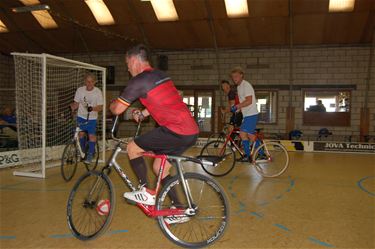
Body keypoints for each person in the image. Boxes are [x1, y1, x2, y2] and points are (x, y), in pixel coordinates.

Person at [110, 44, 199, 214]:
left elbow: (117, 110)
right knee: (159, 168)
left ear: (134, 60)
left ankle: (145, 191)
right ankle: (180, 209)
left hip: (175, 130)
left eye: (127, 64)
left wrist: (111, 104)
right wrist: (143, 113)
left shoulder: (139, 81)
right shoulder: (160, 75)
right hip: (190, 131)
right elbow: (162, 102)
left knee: (132, 147)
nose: (128, 69)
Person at [70, 73, 103, 164]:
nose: (89, 84)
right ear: (85, 81)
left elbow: (100, 107)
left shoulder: (98, 92)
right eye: (88, 81)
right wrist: (72, 107)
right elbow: (76, 104)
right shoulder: (80, 90)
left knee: (91, 136)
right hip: (81, 116)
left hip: (91, 118)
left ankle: (90, 155)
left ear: (95, 82)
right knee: (80, 134)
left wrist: (92, 108)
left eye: (91, 82)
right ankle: (83, 152)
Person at [230, 67, 259, 162]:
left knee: (242, 133)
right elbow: (244, 102)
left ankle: (247, 156)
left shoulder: (246, 85)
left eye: (236, 76)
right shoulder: (239, 87)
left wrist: (237, 106)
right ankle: (262, 153)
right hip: (247, 115)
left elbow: (249, 101)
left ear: (241, 75)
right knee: (250, 135)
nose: (234, 78)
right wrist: (238, 110)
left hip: (251, 114)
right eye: (233, 77)